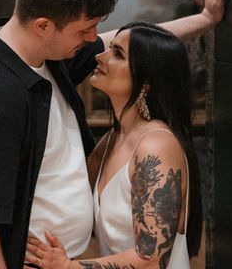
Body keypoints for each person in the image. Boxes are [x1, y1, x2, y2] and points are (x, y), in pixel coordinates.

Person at [0, 0, 226, 269]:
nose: (93, 42)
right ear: (43, 26)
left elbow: (142, 50)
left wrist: (206, 19)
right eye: (83, 30)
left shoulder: (42, 55)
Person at [25, 23, 200, 269]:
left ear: (146, 81)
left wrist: (67, 267)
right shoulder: (110, 141)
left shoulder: (156, 145)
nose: (100, 56)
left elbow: (151, 259)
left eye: (117, 54)